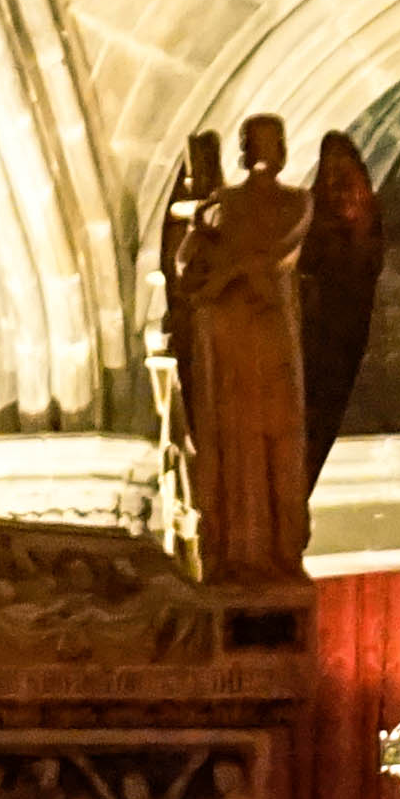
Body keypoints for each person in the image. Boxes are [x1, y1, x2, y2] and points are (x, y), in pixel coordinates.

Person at [166, 113, 315, 582]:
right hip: (229, 335)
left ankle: (278, 550)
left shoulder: (296, 201)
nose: (264, 151)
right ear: (245, 150)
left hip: (270, 336)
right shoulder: (223, 203)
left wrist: (229, 271)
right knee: (233, 439)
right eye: (256, 142)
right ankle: (234, 551)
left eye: (271, 141)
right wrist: (209, 247)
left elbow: (271, 255)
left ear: (283, 148)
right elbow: (191, 263)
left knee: (275, 437)